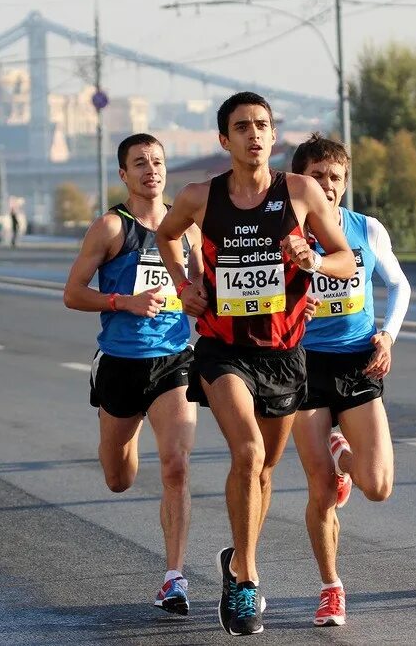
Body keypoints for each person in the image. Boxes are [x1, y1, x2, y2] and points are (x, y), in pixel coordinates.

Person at [156, 92, 356, 636]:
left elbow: (343, 259)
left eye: (262, 125)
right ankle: (246, 582)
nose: (254, 134)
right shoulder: (201, 196)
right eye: (242, 127)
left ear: (272, 135)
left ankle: (237, 560)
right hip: (223, 349)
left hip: (284, 352)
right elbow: (165, 233)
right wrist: (184, 285)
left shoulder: (300, 191)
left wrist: (313, 259)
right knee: (245, 451)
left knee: (265, 469)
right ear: (225, 139)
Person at [63, 133, 201, 616]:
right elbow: (73, 293)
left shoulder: (187, 229)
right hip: (120, 363)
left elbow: (203, 286)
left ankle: (174, 577)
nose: (151, 170)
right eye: (140, 163)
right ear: (124, 174)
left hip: (173, 360)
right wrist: (123, 301)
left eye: (158, 162)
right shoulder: (110, 228)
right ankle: (128, 437)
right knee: (118, 478)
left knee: (177, 465)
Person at [287, 134, 411, 627]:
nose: (328, 185)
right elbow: (251, 299)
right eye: (317, 176)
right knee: (320, 489)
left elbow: (399, 284)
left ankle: (344, 453)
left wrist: (387, 337)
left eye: (335, 177)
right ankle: (331, 587)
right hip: (301, 366)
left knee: (377, 486)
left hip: (358, 361)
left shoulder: (365, 229)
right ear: (299, 182)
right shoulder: (281, 233)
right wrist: (293, 306)